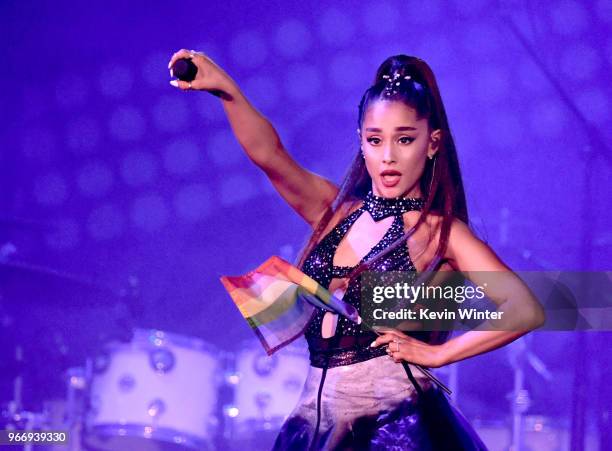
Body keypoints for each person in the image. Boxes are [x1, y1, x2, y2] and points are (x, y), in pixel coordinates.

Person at [168, 50, 545, 450]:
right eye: (375, 139)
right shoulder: (333, 212)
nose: (388, 156)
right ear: (361, 142)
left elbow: (525, 308)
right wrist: (227, 91)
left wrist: (440, 355)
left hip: (396, 430)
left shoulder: (441, 232)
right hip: (314, 428)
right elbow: (270, 156)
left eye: (404, 139)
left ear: (432, 143)